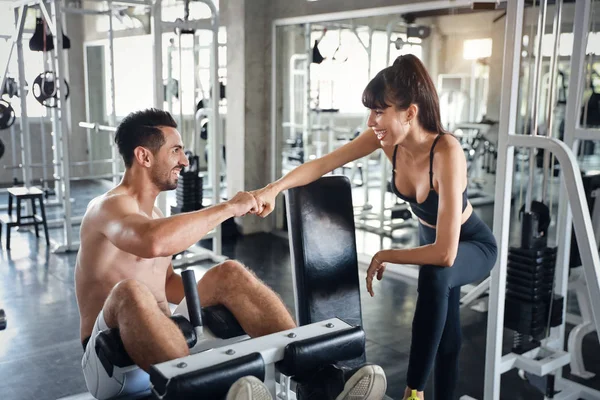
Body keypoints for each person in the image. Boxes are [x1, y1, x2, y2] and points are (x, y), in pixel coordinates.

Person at [75, 108, 386, 400]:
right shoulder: (108, 207)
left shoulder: (155, 211)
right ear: (143, 156)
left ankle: (318, 382)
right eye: (175, 150)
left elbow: (166, 280)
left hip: (167, 344)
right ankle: (203, 389)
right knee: (130, 290)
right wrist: (229, 207)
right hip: (111, 361)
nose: (184, 161)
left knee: (229, 273)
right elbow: (152, 243)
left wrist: (223, 295)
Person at [251, 55, 498, 400]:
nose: (371, 121)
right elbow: (324, 163)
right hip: (436, 246)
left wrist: (385, 253)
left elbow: (445, 253)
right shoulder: (387, 142)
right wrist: (273, 189)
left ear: (410, 113)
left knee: (436, 277)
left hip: (471, 244)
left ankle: (414, 392)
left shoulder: (447, 152)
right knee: (446, 333)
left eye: (379, 112)